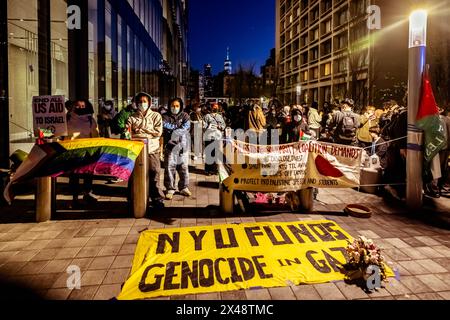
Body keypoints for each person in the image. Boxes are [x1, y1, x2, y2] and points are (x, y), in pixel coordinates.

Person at [126, 92, 165, 209]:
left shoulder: (156, 116)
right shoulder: (132, 117)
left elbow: (158, 132)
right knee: (134, 175)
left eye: (144, 101)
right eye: (140, 102)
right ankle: (133, 198)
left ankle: (157, 198)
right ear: (136, 103)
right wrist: (144, 132)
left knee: (154, 173)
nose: (142, 104)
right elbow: (128, 132)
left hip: (152, 150)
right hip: (136, 150)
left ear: (149, 103)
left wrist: (141, 130)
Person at [66, 99, 100, 208]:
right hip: (72, 152)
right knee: (74, 176)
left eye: (83, 106)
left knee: (88, 174)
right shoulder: (67, 118)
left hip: (87, 151)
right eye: (77, 106)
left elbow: (95, 136)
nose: (80, 108)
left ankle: (87, 194)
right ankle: (74, 198)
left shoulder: (91, 120)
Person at [163, 98, 192, 200]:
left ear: (180, 106)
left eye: (177, 106)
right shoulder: (165, 116)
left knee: (183, 168)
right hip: (170, 147)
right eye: (172, 106)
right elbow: (165, 126)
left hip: (183, 147)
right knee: (170, 168)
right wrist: (178, 128)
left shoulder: (185, 116)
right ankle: (170, 188)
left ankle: (184, 187)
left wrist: (174, 129)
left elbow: (186, 128)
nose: (174, 108)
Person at [203, 103, 226, 175]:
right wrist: (209, 126)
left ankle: (215, 169)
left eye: (217, 107)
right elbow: (203, 126)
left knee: (216, 154)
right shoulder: (207, 116)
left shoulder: (220, 116)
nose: (215, 108)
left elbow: (223, 125)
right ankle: (208, 170)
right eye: (214, 107)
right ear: (211, 108)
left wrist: (219, 127)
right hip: (209, 137)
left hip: (217, 137)